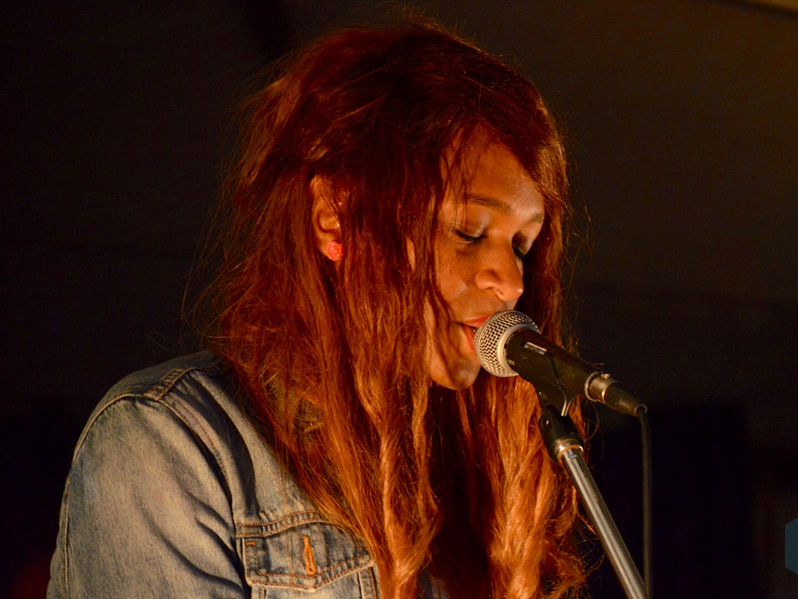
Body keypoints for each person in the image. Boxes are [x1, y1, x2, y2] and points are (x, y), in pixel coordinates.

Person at [47, 16, 588, 599]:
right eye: (469, 231)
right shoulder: (169, 444)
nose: (510, 281)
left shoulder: (467, 476)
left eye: (521, 245)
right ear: (337, 217)